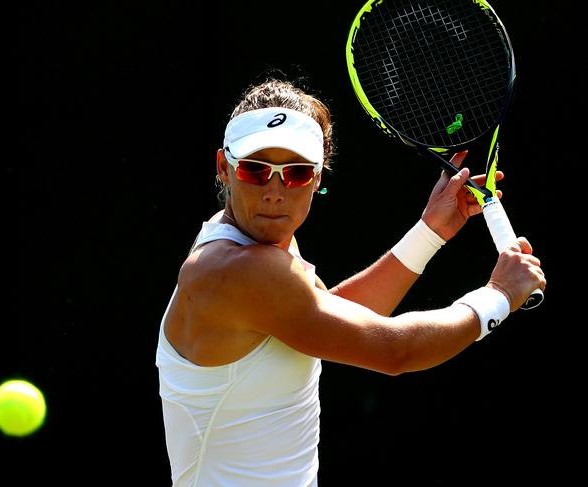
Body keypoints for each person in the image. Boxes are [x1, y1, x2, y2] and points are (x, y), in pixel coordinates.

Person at [155, 77, 546, 486]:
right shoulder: (236, 269)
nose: (275, 191)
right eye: (256, 170)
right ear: (225, 168)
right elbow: (396, 351)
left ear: (319, 176)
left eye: (296, 173)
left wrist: (431, 231)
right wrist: (499, 296)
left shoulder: (259, 243)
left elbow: (333, 317)